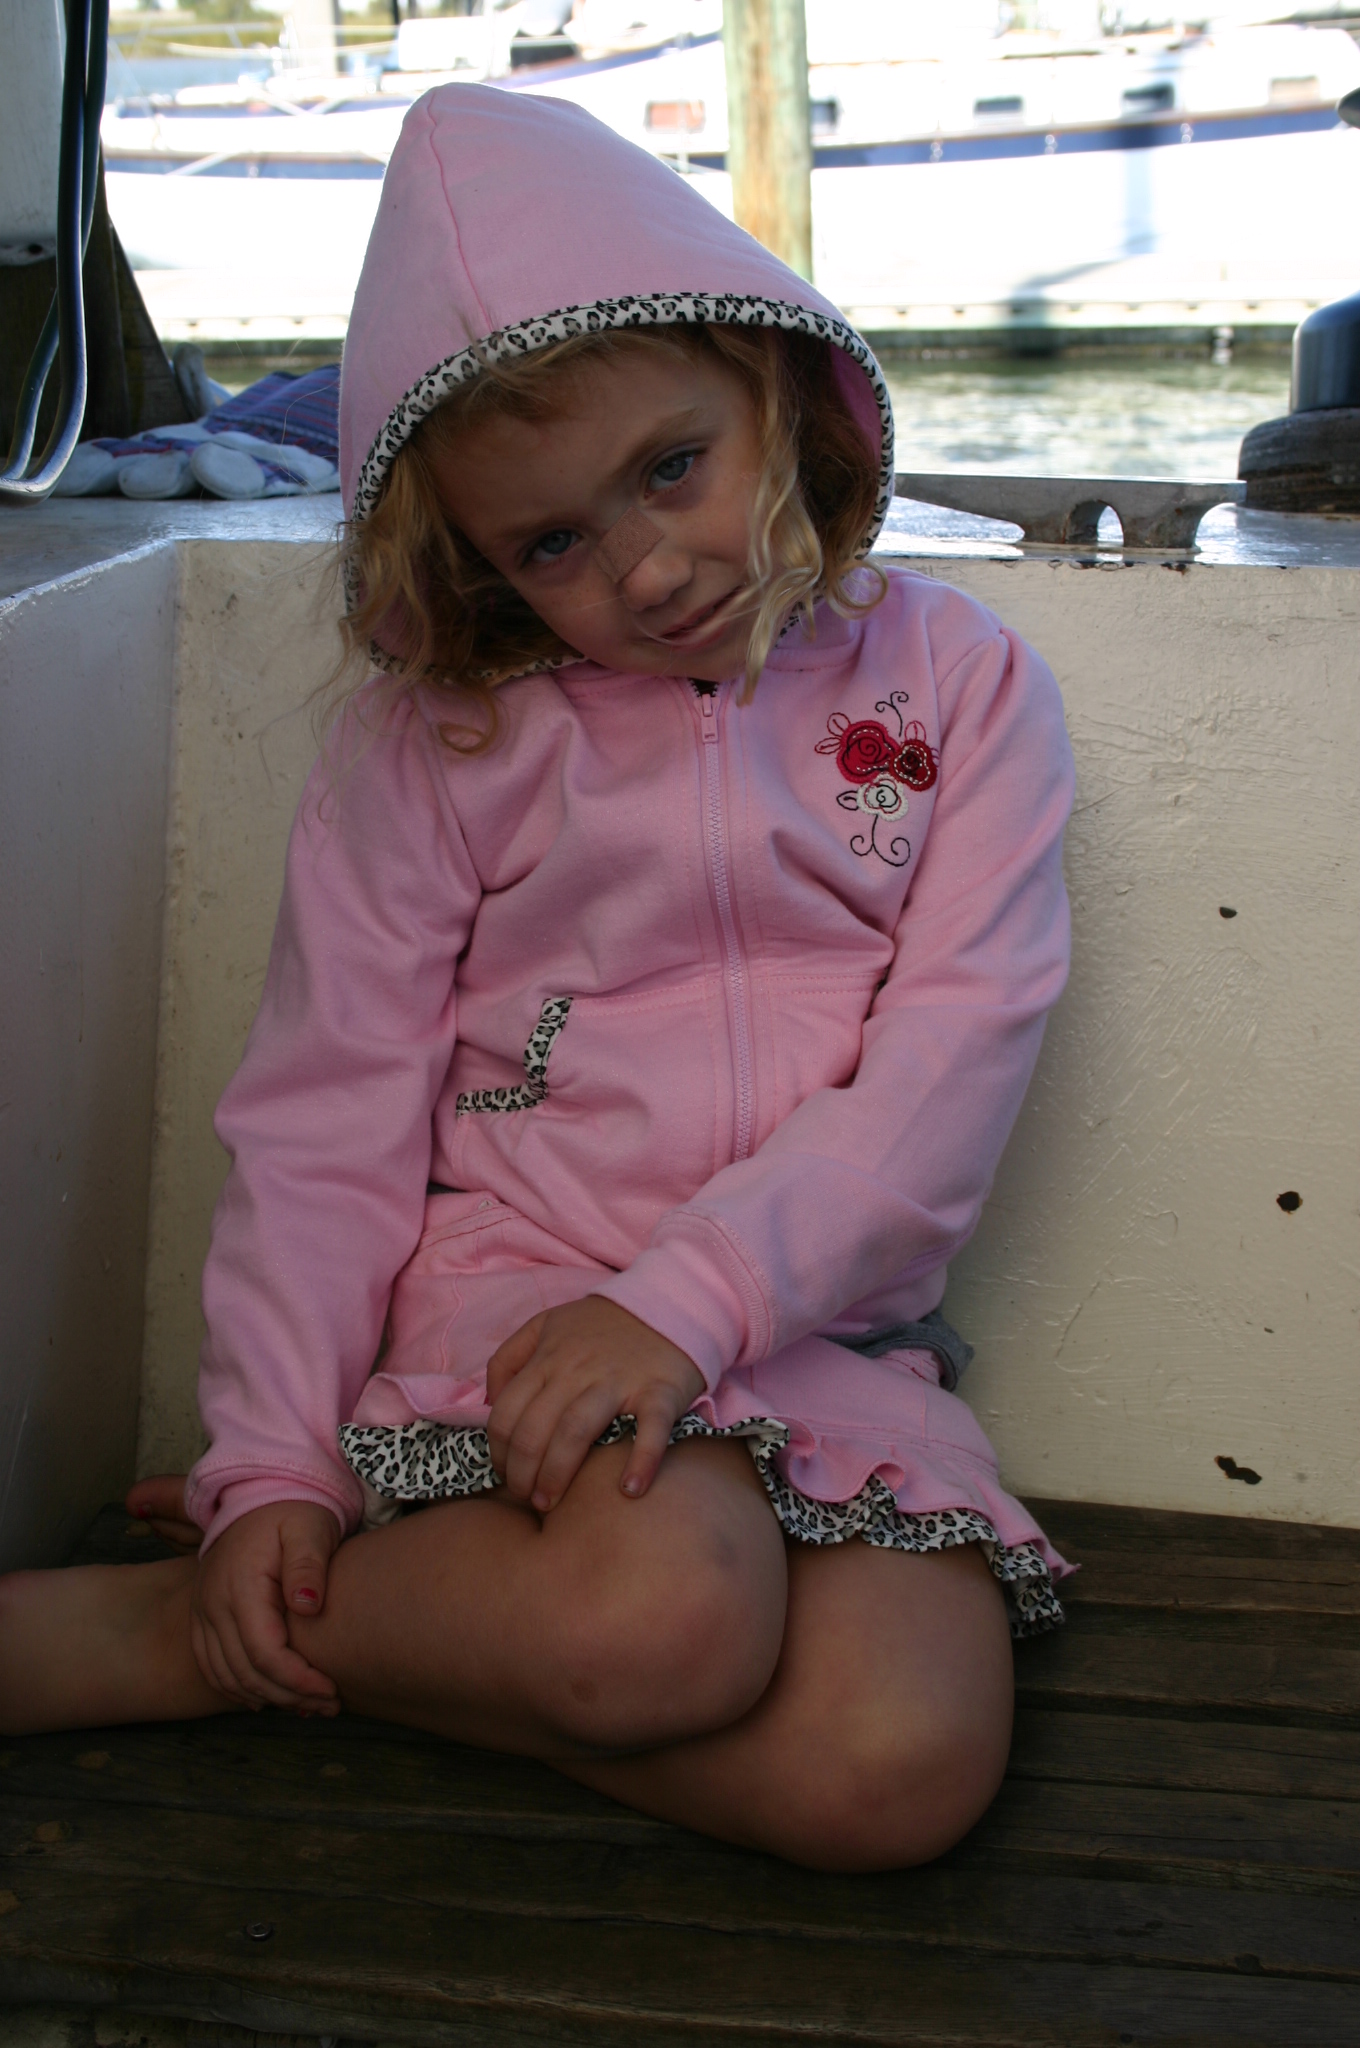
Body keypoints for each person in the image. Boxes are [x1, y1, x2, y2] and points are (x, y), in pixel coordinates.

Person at [0, 87, 1075, 1873]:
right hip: (518, 1318)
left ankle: (304, 1650)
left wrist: (697, 1300)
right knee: (663, 1624)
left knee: (896, 1773)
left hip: (821, 1331)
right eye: (551, 545)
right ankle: (188, 1623)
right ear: (471, 558)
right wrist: (272, 1460)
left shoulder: (961, 687)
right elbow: (327, 1124)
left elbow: (951, 1064)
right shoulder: (442, 745)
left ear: (774, 384)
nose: (646, 567)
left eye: (670, 468)